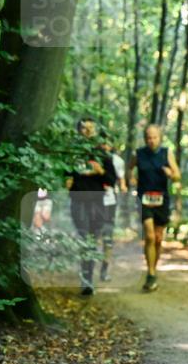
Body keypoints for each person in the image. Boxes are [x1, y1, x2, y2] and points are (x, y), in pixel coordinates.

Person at [66, 117, 116, 296]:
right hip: (78, 201)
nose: (87, 132)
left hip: (97, 202)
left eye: (90, 129)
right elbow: (64, 173)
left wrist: (100, 171)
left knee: (93, 240)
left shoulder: (103, 154)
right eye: (83, 128)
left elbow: (112, 180)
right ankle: (85, 279)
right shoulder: (71, 152)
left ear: (95, 131)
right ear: (78, 131)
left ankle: (88, 280)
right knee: (84, 237)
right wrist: (67, 180)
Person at [128, 124, 180, 292]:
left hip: (161, 200)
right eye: (148, 137)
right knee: (149, 236)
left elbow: (178, 176)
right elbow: (129, 169)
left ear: (160, 137)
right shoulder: (139, 154)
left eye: (154, 137)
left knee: (158, 239)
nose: (151, 140)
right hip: (144, 199)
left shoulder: (166, 153)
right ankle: (150, 273)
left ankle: (153, 270)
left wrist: (170, 173)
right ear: (145, 138)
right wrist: (131, 179)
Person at [99, 132, 128, 282]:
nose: (104, 145)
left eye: (107, 142)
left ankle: (104, 269)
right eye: (101, 142)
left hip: (109, 202)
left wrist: (123, 188)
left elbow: (121, 181)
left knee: (107, 237)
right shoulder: (92, 159)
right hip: (91, 202)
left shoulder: (117, 161)